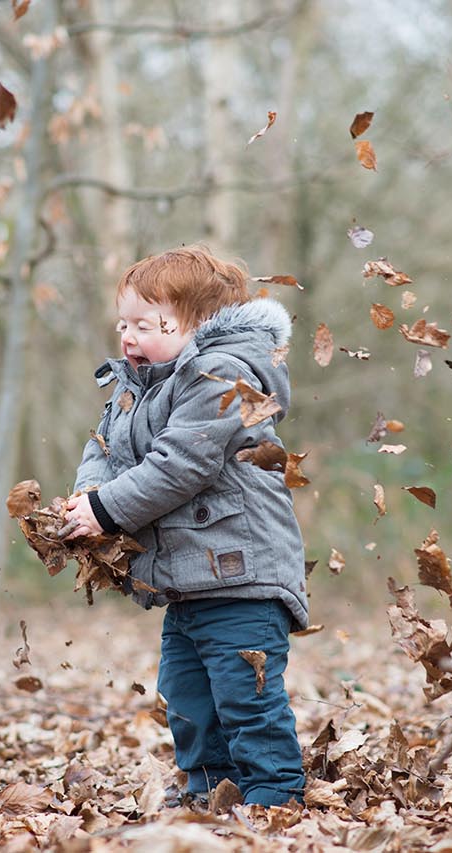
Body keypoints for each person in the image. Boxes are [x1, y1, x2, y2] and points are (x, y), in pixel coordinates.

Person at [59, 245, 308, 809]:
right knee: (187, 699)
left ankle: (274, 796)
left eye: (146, 325)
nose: (128, 337)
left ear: (197, 326)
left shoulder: (223, 375)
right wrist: (88, 495)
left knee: (246, 696)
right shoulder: (135, 386)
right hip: (187, 582)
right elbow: (102, 447)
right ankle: (210, 792)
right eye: (124, 323)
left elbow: (182, 463)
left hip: (243, 576)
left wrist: (107, 511)